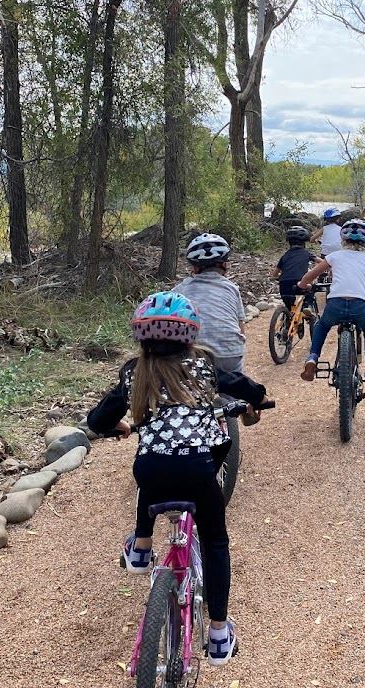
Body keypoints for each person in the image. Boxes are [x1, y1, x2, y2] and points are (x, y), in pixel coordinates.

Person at [87, 292, 269, 668]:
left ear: (141, 336)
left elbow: (99, 420)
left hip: (151, 470)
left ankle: (140, 549)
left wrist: (118, 425)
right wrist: (259, 397)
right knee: (216, 541)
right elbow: (245, 386)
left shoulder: (132, 372)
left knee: (149, 469)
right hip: (200, 470)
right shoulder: (204, 365)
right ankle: (218, 635)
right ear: (191, 335)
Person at [296, 219, 365, 384]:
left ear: (343, 240)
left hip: (335, 305)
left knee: (322, 326)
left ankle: (313, 357)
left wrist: (303, 285)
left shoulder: (334, 256)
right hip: (358, 306)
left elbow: (310, 275)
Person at [173, 233, 246, 373]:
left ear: (194, 268)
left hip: (195, 353)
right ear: (225, 265)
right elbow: (241, 328)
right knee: (236, 387)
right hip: (230, 352)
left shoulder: (182, 289)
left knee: (191, 388)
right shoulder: (231, 288)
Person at [274, 226, 315, 314]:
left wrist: (277, 278)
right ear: (304, 243)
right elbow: (322, 262)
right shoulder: (306, 253)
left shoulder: (285, 256)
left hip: (284, 285)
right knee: (311, 289)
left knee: (290, 308)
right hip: (300, 283)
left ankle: (288, 323)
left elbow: (275, 274)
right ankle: (308, 306)